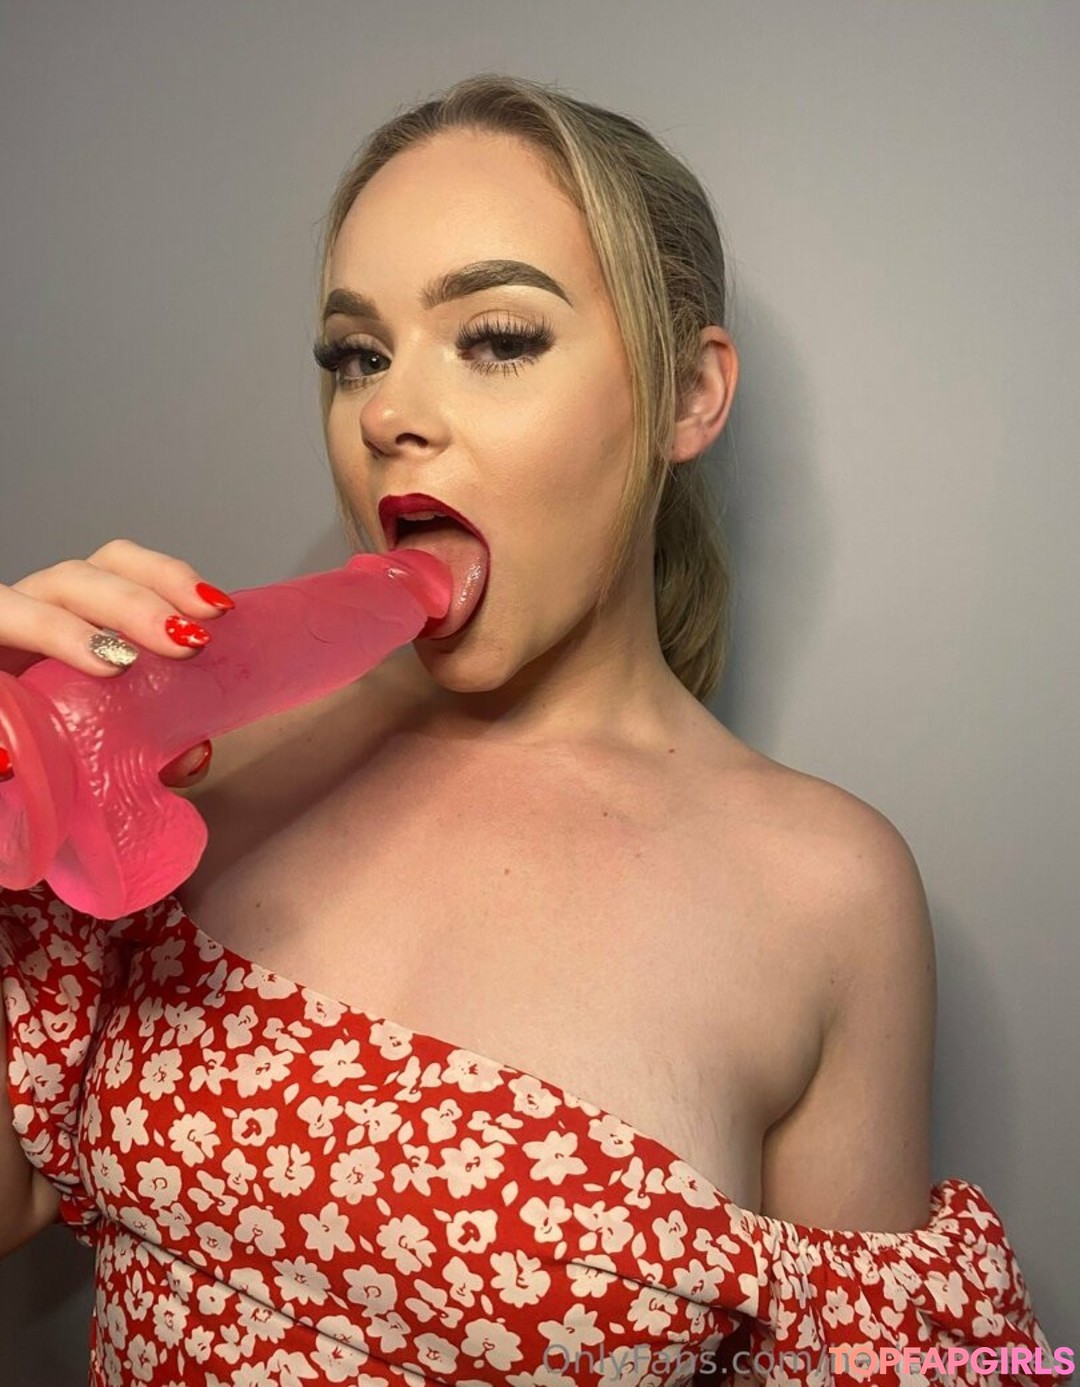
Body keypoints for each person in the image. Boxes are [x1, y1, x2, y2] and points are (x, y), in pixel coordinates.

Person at [0, 73, 1065, 1387]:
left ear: (688, 396)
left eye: (497, 338)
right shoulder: (198, 756)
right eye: (356, 355)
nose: (385, 413)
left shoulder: (827, 894)